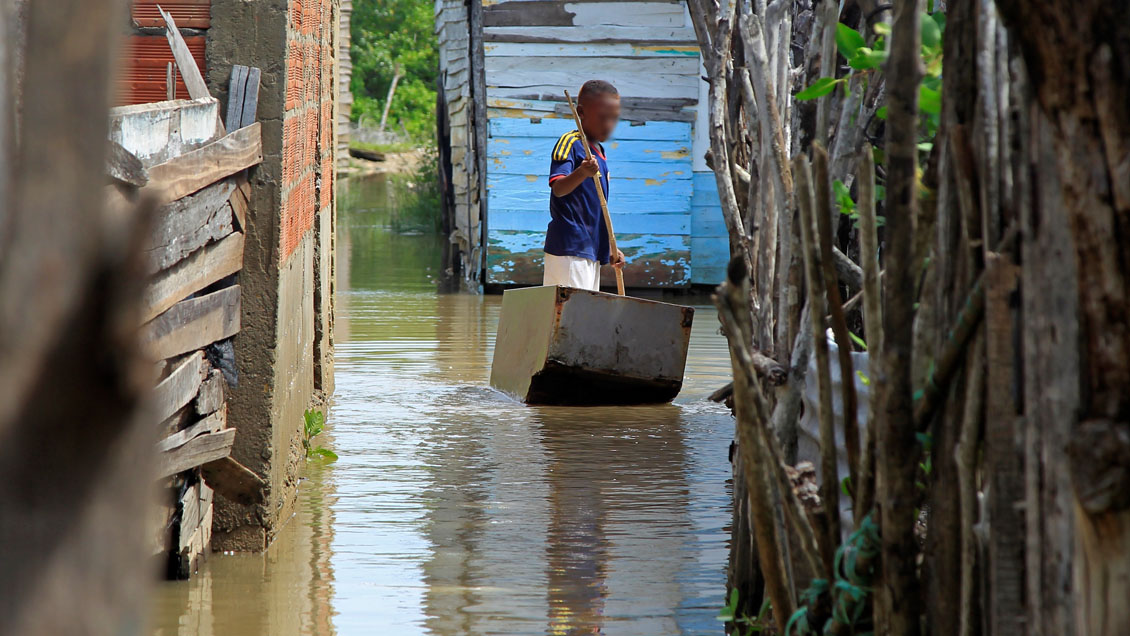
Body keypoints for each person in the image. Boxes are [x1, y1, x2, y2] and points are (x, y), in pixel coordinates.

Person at [543, 79, 626, 291]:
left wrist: (609, 246)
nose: (608, 125)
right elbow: (559, 188)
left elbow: (595, 209)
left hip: (591, 249)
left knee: (580, 317)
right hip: (570, 248)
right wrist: (581, 172)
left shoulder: (600, 153)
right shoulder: (571, 143)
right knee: (569, 316)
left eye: (613, 119)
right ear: (580, 112)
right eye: (602, 118)